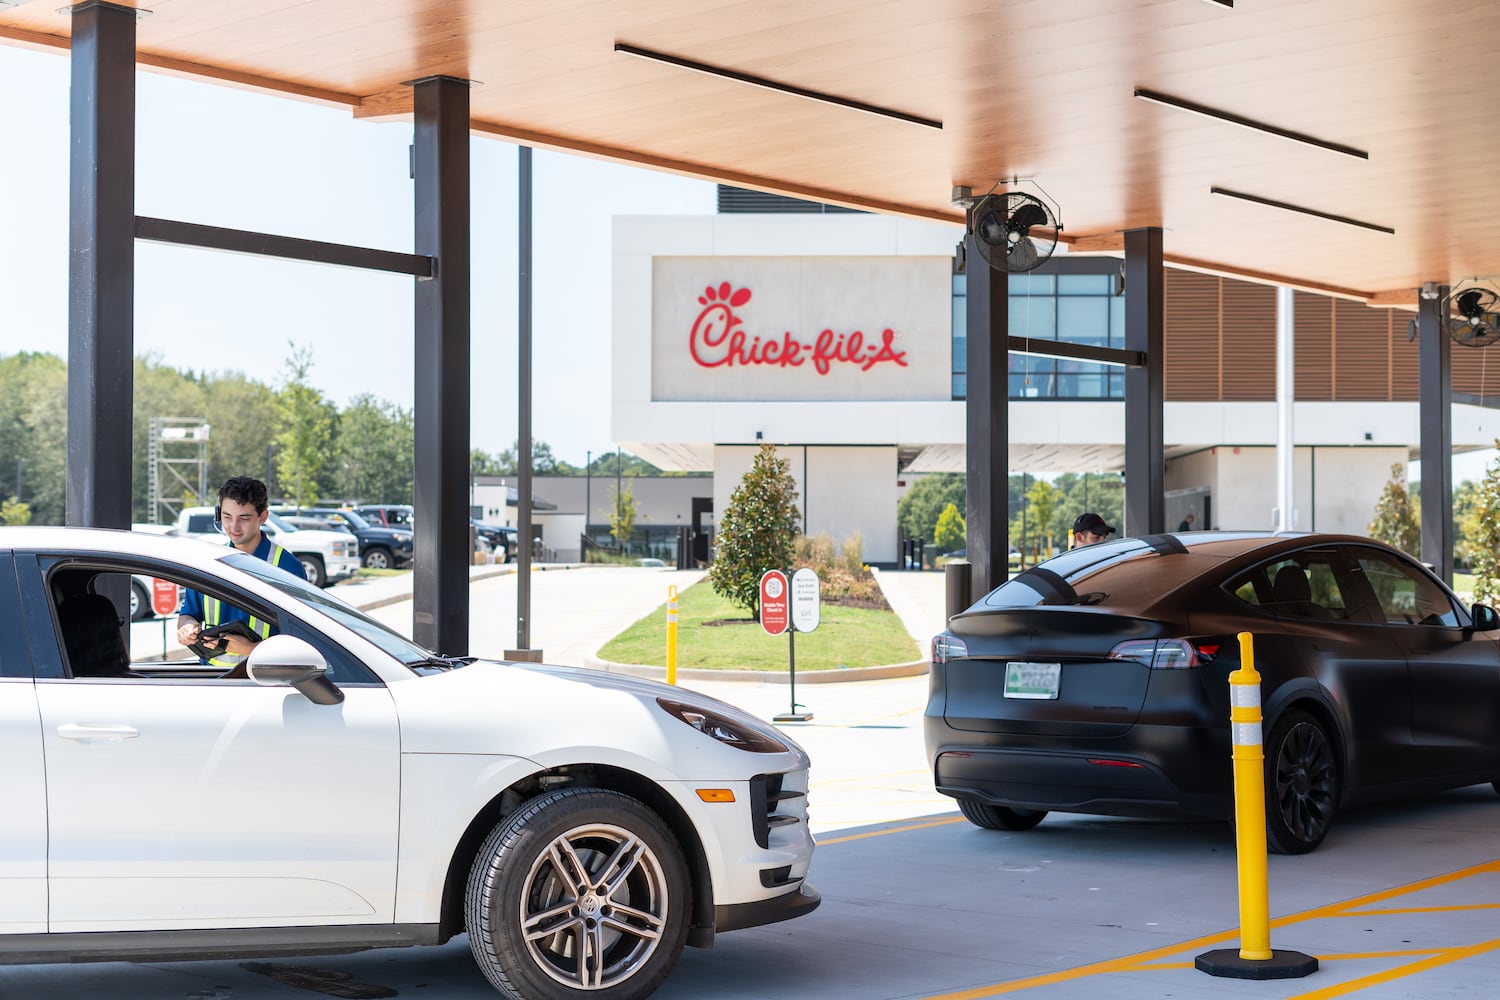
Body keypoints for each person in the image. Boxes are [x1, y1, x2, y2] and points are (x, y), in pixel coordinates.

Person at [177, 476, 307, 671]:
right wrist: (186, 628)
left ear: (263, 517)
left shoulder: (287, 568)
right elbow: (188, 615)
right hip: (214, 680)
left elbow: (304, 639)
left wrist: (252, 649)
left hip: (267, 680)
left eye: (244, 518)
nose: (233, 527)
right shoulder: (209, 562)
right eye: (227, 517)